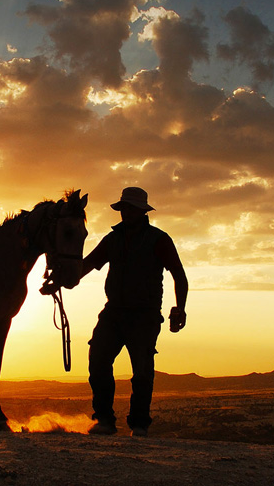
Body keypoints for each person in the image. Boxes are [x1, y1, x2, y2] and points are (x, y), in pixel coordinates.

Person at [78, 187, 188, 437]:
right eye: (123, 208)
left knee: (142, 371)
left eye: (129, 208)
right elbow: (89, 263)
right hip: (114, 312)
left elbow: (179, 275)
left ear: (141, 211)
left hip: (144, 315)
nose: (124, 213)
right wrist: (61, 279)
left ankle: (139, 424)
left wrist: (180, 308)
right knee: (98, 361)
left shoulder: (159, 240)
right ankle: (105, 420)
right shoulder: (113, 239)